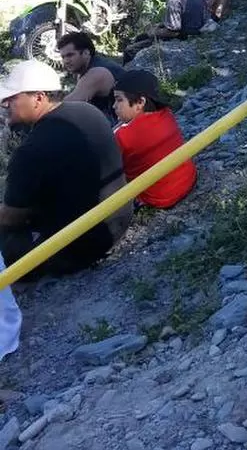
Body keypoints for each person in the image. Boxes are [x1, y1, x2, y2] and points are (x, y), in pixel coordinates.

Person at [0, 60, 132, 276]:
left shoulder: (30, 151)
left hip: (82, 246)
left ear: (39, 98)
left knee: (7, 235)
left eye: (10, 99)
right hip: (120, 217)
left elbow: (10, 217)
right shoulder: (86, 110)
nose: (5, 105)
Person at [113, 70, 196, 209]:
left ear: (140, 102)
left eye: (119, 99)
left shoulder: (122, 136)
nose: (114, 106)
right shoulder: (166, 114)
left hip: (159, 200)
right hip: (188, 180)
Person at [122, 0, 209, 64]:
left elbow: (174, 31)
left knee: (129, 50)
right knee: (141, 37)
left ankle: (126, 72)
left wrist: (155, 32)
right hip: (199, 23)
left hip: (186, 33)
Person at [58, 31, 125, 122]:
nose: (66, 61)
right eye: (63, 57)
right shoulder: (89, 67)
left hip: (123, 126)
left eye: (70, 55)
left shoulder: (96, 73)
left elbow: (67, 106)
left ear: (86, 53)